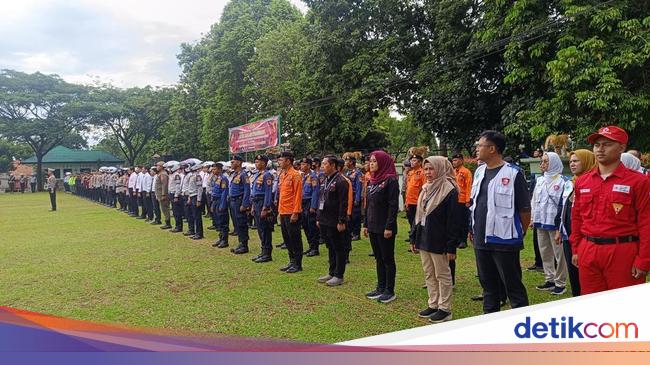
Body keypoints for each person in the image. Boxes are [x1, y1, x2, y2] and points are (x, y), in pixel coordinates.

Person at [570, 126, 650, 294]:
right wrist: (576, 248)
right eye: (597, 145)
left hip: (622, 251)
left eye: (606, 144)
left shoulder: (639, 182)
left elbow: (646, 222)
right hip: (588, 249)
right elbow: (577, 217)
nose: (600, 149)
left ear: (621, 147)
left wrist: (644, 259)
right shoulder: (583, 182)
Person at [470, 130, 531, 313]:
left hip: (505, 239)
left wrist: (520, 231)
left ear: (492, 149)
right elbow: (475, 203)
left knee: (512, 285)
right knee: (488, 286)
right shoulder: (480, 172)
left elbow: (524, 210)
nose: (477, 149)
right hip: (481, 238)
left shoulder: (513, 174)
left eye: (480, 145)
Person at [414, 156, 463, 323]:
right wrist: (415, 238)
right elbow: (419, 216)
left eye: (431, 169)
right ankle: (433, 304)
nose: (427, 172)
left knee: (442, 274)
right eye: (425, 169)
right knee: (429, 273)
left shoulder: (450, 190)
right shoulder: (426, 188)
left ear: (441, 168)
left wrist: (451, 247)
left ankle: (444, 308)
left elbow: (453, 221)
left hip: (439, 239)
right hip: (425, 237)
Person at [556, 150, 595, 296]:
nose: (572, 164)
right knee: (573, 275)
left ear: (586, 161)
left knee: (585, 277)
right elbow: (563, 207)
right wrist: (559, 229)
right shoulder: (569, 183)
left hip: (585, 238)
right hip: (569, 236)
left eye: (576, 161)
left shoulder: (592, 183)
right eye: (571, 161)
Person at [531, 152, 571, 295]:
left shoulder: (564, 181)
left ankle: (560, 282)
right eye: (542, 161)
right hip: (541, 221)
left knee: (559, 254)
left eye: (546, 161)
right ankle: (550, 278)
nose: (542, 164)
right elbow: (534, 199)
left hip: (555, 224)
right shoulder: (540, 180)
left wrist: (561, 224)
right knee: (544, 251)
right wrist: (532, 217)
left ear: (554, 162)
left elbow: (565, 204)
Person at [364, 151, 399, 302]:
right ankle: (380, 286)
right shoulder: (372, 180)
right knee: (378, 258)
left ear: (383, 162)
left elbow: (393, 205)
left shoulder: (390, 180)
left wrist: (389, 226)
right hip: (372, 225)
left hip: (385, 226)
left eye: (374, 161)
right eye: (370, 161)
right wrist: (365, 224)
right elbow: (369, 204)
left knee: (387, 258)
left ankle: (389, 290)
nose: (371, 163)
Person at [317, 155, 350, 285]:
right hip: (325, 219)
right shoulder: (325, 179)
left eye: (325, 164)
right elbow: (321, 199)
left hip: (335, 220)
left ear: (333, 166)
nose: (322, 166)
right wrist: (319, 218)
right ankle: (331, 272)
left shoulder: (341, 181)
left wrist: (341, 221)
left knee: (338, 247)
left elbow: (343, 203)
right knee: (330, 247)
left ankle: (339, 275)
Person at [277, 151, 304, 273]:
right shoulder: (283, 174)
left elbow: (298, 195)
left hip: (292, 211)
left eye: (281, 160)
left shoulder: (295, 175)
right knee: (287, 238)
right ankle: (291, 261)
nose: (279, 162)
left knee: (295, 238)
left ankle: (297, 264)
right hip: (283, 211)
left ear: (288, 161)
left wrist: (296, 212)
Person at [249, 155, 274, 263]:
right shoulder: (257, 175)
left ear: (264, 163)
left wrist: (265, 207)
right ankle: (263, 251)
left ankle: (267, 253)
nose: (256, 163)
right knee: (260, 229)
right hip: (256, 202)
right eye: (255, 161)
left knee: (265, 229)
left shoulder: (267, 175)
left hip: (262, 202)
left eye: (258, 162)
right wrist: (253, 206)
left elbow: (268, 193)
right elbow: (254, 191)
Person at [228, 155, 251, 254]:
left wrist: (245, 204)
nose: (231, 163)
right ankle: (240, 243)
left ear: (239, 162)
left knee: (241, 223)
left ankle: (244, 245)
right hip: (233, 201)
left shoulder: (243, 175)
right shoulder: (235, 174)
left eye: (234, 161)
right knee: (237, 223)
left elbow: (247, 190)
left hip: (239, 201)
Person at [300, 158, 320, 257]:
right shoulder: (303, 176)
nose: (301, 166)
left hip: (309, 203)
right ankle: (310, 246)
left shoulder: (313, 177)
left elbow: (315, 192)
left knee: (312, 226)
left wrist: (313, 206)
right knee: (305, 225)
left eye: (303, 164)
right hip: (303, 203)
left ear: (308, 165)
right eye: (301, 164)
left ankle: (315, 248)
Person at [405, 154, 425, 246]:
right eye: (411, 160)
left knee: (417, 222)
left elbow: (424, 188)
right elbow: (408, 188)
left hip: (418, 202)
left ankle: (416, 240)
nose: (412, 162)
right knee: (411, 221)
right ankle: (413, 237)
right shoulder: (410, 173)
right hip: (410, 201)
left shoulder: (422, 173)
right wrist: (406, 202)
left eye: (414, 160)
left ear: (420, 162)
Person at [343, 153, 363, 241]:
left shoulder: (357, 173)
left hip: (355, 195)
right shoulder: (347, 172)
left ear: (351, 162)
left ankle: (356, 233)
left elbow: (359, 186)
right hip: (348, 195)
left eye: (347, 160)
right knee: (349, 215)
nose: (345, 162)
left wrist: (357, 198)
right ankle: (351, 232)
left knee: (356, 215)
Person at [211, 163, 230, 248]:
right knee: (218, 221)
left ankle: (224, 240)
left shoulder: (224, 179)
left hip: (220, 201)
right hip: (215, 201)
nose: (213, 170)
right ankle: (221, 238)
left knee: (223, 222)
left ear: (219, 169)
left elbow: (224, 192)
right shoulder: (217, 178)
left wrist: (222, 205)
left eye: (214, 169)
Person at [169, 162, 185, 233]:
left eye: (170, 167)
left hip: (175, 195)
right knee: (174, 212)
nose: (169, 169)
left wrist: (176, 196)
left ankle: (179, 227)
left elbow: (178, 186)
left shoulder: (176, 175)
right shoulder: (172, 175)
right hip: (171, 194)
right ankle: (177, 226)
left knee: (177, 211)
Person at [156, 161, 171, 229]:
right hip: (160, 194)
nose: (157, 167)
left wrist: (163, 194)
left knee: (165, 209)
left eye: (158, 166)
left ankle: (168, 223)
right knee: (163, 209)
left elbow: (164, 185)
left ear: (162, 166)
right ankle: (167, 222)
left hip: (163, 195)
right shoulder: (160, 173)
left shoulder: (163, 174)